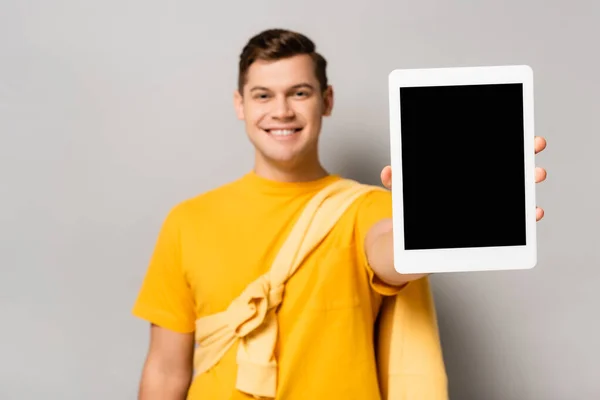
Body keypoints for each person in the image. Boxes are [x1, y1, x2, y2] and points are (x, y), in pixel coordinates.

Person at [131, 28, 548, 400]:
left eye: (300, 92)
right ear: (240, 104)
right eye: (263, 95)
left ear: (326, 101)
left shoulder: (368, 209)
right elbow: (166, 371)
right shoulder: (188, 220)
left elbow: (396, 254)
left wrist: (450, 202)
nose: (282, 111)